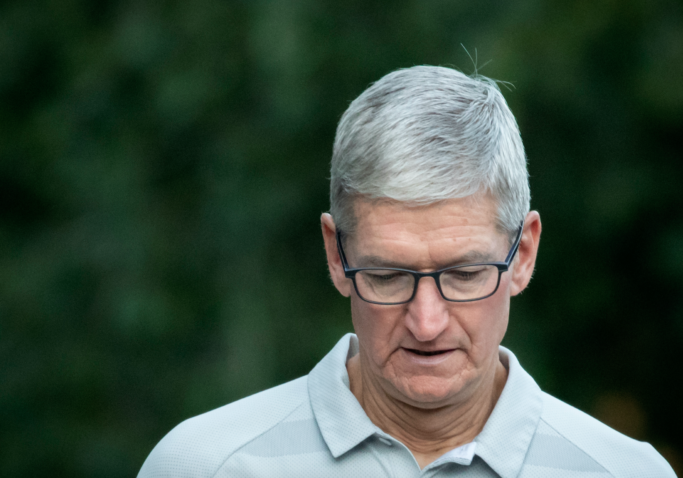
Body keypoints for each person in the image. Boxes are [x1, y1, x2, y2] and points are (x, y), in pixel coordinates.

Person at [138, 66, 676, 477]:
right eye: (388, 276)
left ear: (524, 254)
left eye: (465, 273)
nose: (426, 323)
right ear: (336, 255)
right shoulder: (203, 466)